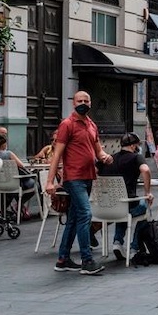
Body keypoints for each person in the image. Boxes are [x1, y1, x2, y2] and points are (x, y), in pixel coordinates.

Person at [45, 90, 113, 275]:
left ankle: (63, 259)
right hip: (73, 177)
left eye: (86, 100)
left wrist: (105, 157)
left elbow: (98, 151)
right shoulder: (67, 124)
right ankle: (87, 260)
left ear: (90, 103)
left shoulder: (91, 125)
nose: (83, 103)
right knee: (85, 214)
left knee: (74, 218)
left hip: (88, 176)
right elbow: (57, 154)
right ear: (73, 103)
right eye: (79, 100)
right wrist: (50, 181)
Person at [96, 132, 152, 260]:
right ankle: (134, 247)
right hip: (125, 206)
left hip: (104, 207)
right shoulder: (136, 157)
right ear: (133, 146)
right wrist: (147, 192)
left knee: (123, 207)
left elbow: (93, 171)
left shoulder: (109, 159)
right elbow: (146, 170)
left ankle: (118, 242)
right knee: (144, 208)